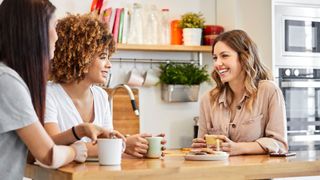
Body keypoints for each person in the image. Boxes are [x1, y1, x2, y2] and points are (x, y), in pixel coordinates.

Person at [0, 0, 123, 179]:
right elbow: (49, 155)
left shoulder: (7, 78)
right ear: (34, 32)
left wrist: (80, 131)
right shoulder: (8, 83)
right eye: (52, 26)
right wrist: (75, 150)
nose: (57, 37)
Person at [45, 14, 166, 158]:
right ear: (81, 57)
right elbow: (50, 148)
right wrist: (124, 145)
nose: (109, 65)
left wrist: (138, 145)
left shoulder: (101, 96)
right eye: (102, 57)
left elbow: (107, 144)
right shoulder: (48, 95)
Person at [192, 30, 288, 156]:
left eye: (224, 56)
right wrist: (201, 147)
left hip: (257, 174)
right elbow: (204, 149)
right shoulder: (208, 99)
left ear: (244, 57)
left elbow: (280, 144)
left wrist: (239, 148)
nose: (217, 63)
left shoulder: (269, 91)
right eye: (215, 58)